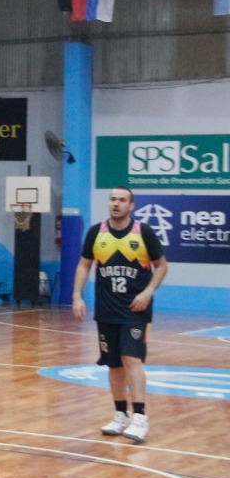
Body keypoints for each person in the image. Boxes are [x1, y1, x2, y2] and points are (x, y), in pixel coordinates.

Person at [72, 186, 167, 444]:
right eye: (113, 199)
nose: (116, 204)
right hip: (106, 310)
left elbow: (161, 266)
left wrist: (148, 292)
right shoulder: (97, 232)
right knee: (113, 364)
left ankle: (140, 417)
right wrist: (77, 295)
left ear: (131, 206)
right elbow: (84, 265)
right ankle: (120, 414)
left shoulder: (143, 232)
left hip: (136, 310)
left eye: (122, 200)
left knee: (131, 359)